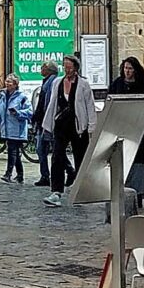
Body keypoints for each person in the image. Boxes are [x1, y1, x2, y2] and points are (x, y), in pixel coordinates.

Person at [41, 54, 96, 206]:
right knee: (57, 156)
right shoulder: (57, 82)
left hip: (78, 125)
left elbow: (90, 106)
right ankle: (56, 191)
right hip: (61, 124)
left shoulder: (83, 84)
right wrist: (48, 124)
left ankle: (80, 190)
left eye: (70, 67)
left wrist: (91, 126)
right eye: (65, 67)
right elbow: (53, 104)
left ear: (76, 68)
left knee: (80, 157)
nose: (67, 70)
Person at [111, 57, 144, 205]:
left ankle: (138, 194)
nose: (127, 71)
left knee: (139, 164)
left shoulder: (142, 85)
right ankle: (124, 194)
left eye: (130, 68)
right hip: (122, 129)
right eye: (126, 68)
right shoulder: (117, 84)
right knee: (123, 162)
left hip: (139, 131)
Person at [0, 72, 32, 185]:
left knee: (12, 151)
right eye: (7, 81)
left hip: (17, 129)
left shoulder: (22, 97)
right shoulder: (1, 96)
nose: (7, 83)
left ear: (15, 84)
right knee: (15, 153)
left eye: (10, 82)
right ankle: (20, 175)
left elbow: (30, 112)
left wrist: (18, 113)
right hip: (6, 129)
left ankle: (8, 174)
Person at [28, 64, 57, 187]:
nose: (40, 70)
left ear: (48, 70)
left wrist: (40, 117)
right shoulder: (46, 83)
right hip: (42, 121)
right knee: (41, 149)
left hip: (48, 121)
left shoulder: (52, 83)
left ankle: (68, 171)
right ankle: (45, 175)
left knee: (52, 150)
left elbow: (47, 103)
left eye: (42, 68)